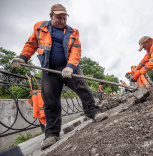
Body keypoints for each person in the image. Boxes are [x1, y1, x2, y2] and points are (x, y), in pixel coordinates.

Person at [10, 4, 108, 150]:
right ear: (51, 16)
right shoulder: (40, 27)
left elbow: (76, 51)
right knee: (50, 101)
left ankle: (94, 112)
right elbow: (31, 44)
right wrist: (22, 58)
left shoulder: (73, 32)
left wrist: (70, 66)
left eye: (64, 18)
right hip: (49, 70)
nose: (62, 21)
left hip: (69, 68)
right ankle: (52, 134)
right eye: (59, 18)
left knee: (83, 87)